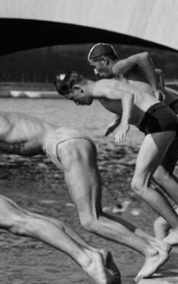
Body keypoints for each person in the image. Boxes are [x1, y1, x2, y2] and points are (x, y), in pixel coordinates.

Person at [0, 87, 169, 282]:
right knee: (98, 215)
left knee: (90, 220)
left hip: (66, 146)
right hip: (73, 141)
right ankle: (155, 244)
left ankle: (150, 252)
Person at [55, 71, 178, 250]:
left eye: (73, 98)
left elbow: (127, 95)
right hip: (165, 117)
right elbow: (136, 95)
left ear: (77, 88)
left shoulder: (99, 88)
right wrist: (117, 119)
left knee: (139, 184)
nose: (77, 103)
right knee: (160, 174)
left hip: (158, 123)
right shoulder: (104, 85)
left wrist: (124, 123)